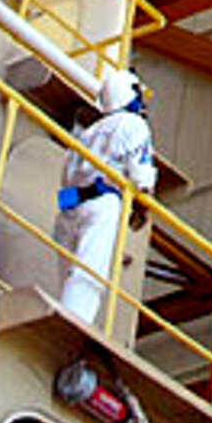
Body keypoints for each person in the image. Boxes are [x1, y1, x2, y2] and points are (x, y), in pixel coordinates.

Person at [54, 68, 158, 328]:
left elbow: (66, 175)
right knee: (89, 271)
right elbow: (140, 176)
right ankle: (75, 324)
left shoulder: (88, 133)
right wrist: (142, 206)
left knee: (68, 273)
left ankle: (64, 314)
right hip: (103, 203)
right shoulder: (134, 125)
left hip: (70, 204)